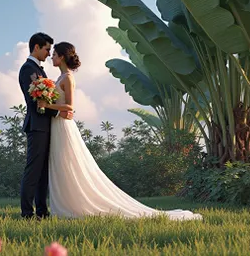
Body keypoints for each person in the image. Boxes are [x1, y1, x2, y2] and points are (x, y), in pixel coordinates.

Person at [37, 41, 202, 221]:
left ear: (61, 57)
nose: (52, 57)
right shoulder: (59, 78)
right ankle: (64, 205)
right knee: (60, 166)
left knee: (69, 165)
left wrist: (47, 104)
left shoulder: (68, 78)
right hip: (57, 124)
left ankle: (74, 206)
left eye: (54, 54)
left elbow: (70, 105)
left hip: (64, 126)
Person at [18, 32, 73, 220]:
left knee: (43, 173)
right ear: (36, 47)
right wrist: (59, 112)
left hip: (47, 126)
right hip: (37, 126)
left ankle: (42, 211)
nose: (49, 54)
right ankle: (27, 213)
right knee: (33, 171)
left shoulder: (39, 70)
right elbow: (36, 102)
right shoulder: (28, 69)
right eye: (47, 49)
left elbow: (46, 98)